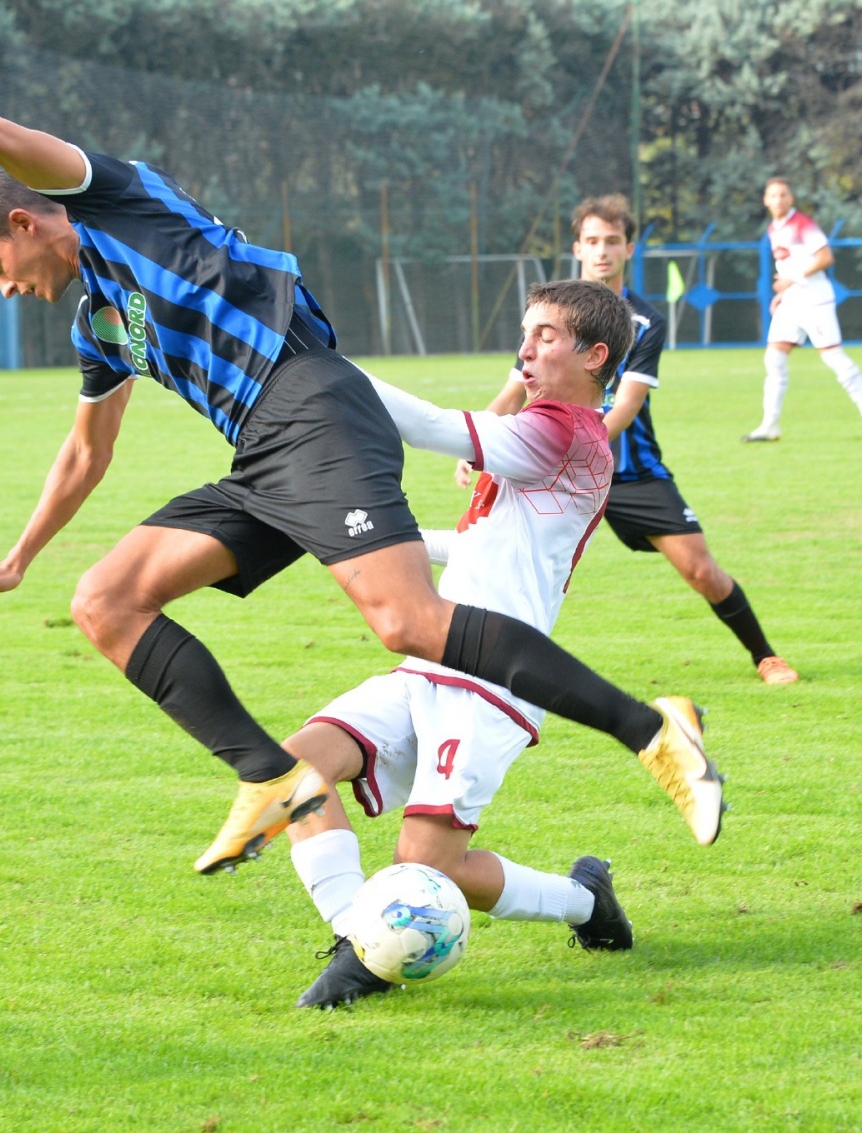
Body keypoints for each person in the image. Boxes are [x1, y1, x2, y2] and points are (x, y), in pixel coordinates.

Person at [0, 115, 723, 874]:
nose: (6, 289)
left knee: (409, 621)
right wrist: (16, 558)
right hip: (261, 455)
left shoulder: (116, 200)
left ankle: (651, 729)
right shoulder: (100, 319)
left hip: (310, 400)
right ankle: (271, 774)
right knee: (106, 600)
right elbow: (85, 452)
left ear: (28, 221)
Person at [285, 280, 708, 1009]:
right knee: (293, 772)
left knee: (430, 864)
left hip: (490, 679)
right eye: (526, 331)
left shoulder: (570, 433)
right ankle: (360, 937)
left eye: (545, 334)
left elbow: (424, 424)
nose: (526, 347)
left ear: (594, 354)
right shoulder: (541, 436)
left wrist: (313, 367)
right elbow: (477, 545)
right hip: (433, 659)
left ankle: (584, 901)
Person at [468, 194, 799, 686]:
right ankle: (477, 663)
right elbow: (514, 390)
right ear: (577, 247)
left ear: (629, 249)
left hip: (630, 473)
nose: (603, 251)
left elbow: (625, 406)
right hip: (551, 470)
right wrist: (475, 446)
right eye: (593, 241)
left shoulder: (644, 321)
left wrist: (573, 443)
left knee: (701, 570)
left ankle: (766, 656)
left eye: (614, 241)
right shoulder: (549, 317)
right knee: (501, 560)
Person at [741, 177, 862, 444]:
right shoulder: (774, 228)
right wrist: (784, 293)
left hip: (814, 300)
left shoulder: (803, 224)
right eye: (773, 195)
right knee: (774, 359)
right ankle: (769, 425)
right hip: (793, 300)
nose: (778, 200)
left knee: (832, 357)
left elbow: (824, 257)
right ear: (765, 200)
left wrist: (791, 280)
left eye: (783, 194)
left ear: (791, 198)